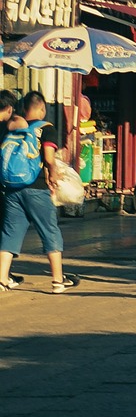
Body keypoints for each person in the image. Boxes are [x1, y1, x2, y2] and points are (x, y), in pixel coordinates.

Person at [0, 91, 78, 293]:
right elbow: (49, 158)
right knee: (49, 230)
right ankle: (58, 281)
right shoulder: (46, 128)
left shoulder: (12, 128)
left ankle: (2, 279)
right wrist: (53, 175)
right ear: (42, 108)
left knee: (10, 233)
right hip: (36, 187)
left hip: (12, 188)